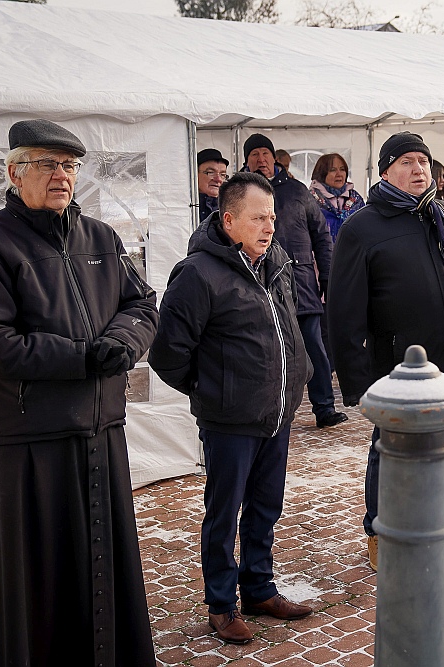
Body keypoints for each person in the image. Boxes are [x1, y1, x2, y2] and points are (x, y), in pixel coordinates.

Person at [0, 119, 159, 666]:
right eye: (48, 164)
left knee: (101, 582)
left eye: (69, 166)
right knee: (35, 590)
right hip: (28, 445)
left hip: (100, 434)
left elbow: (142, 305)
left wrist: (122, 343)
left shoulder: (101, 238)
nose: (62, 176)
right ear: (15, 172)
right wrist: (83, 357)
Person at [327, 132, 444, 571]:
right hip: (401, 371)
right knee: (390, 454)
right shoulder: (362, 228)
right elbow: (344, 310)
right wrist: (355, 380)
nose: (418, 170)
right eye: (406, 162)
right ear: (385, 170)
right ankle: (379, 530)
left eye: (423, 162)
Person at [149, 172, 314, 646]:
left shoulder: (275, 260)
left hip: (277, 412)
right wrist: (212, 392)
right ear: (228, 220)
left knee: (266, 507)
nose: (269, 226)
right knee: (224, 515)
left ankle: (259, 588)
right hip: (229, 421)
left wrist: (296, 378)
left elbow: (288, 328)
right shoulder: (198, 273)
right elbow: (167, 354)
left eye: (272, 217)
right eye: (259, 218)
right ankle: (221, 605)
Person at [243, 133, 347, 428]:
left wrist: (327, 278)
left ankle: (325, 407)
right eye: (254, 155)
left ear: (273, 157)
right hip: (257, 285)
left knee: (313, 347)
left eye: (265, 153)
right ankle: (267, 409)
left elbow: (322, 238)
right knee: (264, 351)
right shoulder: (238, 192)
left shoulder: (298, 191)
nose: (260, 160)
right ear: (247, 160)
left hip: (301, 284)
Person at [309, 152, 365, 242]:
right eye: (333, 170)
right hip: (321, 254)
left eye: (342, 169)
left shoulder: (356, 199)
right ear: (322, 173)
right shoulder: (310, 200)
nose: (339, 174)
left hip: (352, 254)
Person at [197, 148, 230, 222]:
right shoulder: (183, 207)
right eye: (211, 172)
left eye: (223, 175)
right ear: (195, 174)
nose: (218, 179)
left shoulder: (228, 206)